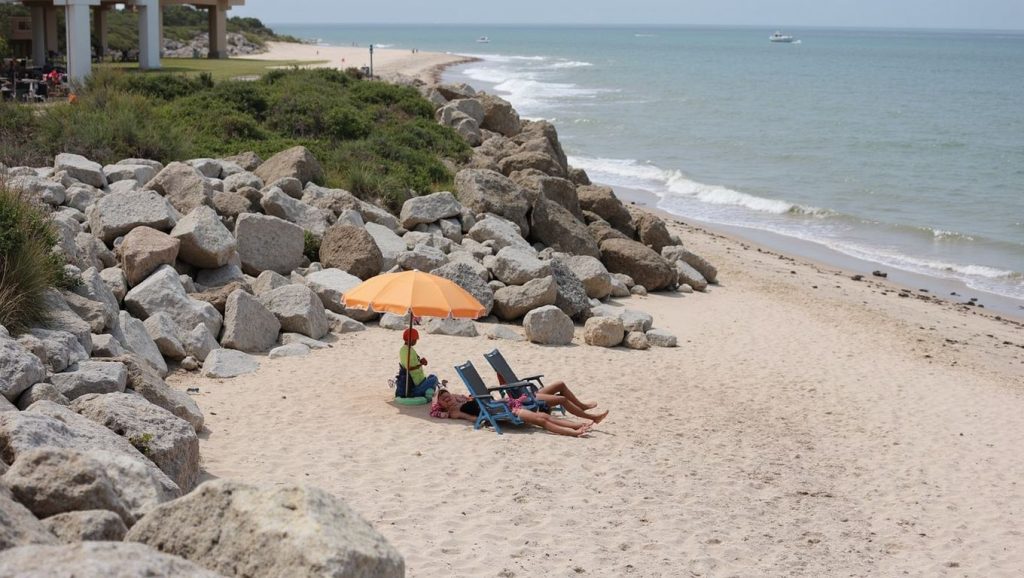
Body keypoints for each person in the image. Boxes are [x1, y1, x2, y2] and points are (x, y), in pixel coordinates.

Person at [431, 389, 594, 438]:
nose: (448, 400)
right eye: (444, 400)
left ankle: (577, 425)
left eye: (448, 396)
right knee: (541, 421)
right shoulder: (455, 412)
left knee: (544, 416)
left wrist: (462, 398)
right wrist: (487, 418)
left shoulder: (463, 400)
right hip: (502, 411)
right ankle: (574, 433)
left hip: (503, 406)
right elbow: (474, 418)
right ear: (442, 405)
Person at [499, 376, 608, 423]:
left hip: (527, 393)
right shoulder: (501, 375)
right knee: (562, 399)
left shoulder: (504, 371)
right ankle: (593, 418)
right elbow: (506, 390)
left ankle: (582, 406)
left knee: (560, 384)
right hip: (526, 398)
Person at [397, 328, 440, 398]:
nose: (416, 341)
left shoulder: (408, 349)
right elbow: (408, 368)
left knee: (432, 376)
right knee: (434, 378)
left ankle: (432, 387)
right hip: (415, 387)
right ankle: (428, 390)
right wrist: (421, 364)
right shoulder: (405, 351)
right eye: (415, 339)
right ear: (410, 339)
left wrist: (420, 361)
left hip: (420, 380)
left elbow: (412, 363)